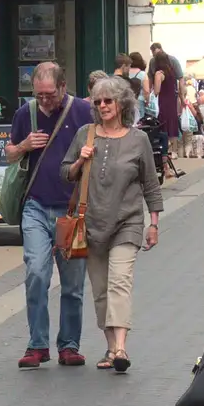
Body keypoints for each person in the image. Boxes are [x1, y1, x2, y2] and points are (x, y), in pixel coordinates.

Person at [61, 76, 162, 373]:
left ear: (122, 104)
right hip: (91, 223)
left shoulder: (138, 140)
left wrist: (153, 223)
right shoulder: (85, 134)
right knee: (101, 290)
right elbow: (65, 173)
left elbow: (151, 185)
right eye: (97, 102)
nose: (102, 106)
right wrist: (80, 161)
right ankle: (109, 346)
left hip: (127, 222)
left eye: (108, 101)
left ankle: (121, 348)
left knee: (120, 281)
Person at [6, 61, 93, 371]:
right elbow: (10, 152)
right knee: (37, 272)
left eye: (49, 95)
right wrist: (24, 146)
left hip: (71, 209)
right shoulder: (24, 114)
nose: (44, 101)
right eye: (38, 95)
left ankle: (69, 345)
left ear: (63, 87)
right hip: (36, 205)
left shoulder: (82, 111)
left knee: (72, 283)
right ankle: (37, 344)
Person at [151, 50, 182, 178]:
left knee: (162, 127)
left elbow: (157, 91)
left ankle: (166, 152)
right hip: (172, 101)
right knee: (172, 124)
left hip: (163, 102)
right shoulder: (172, 72)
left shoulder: (160, 73)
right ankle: (174, 151)